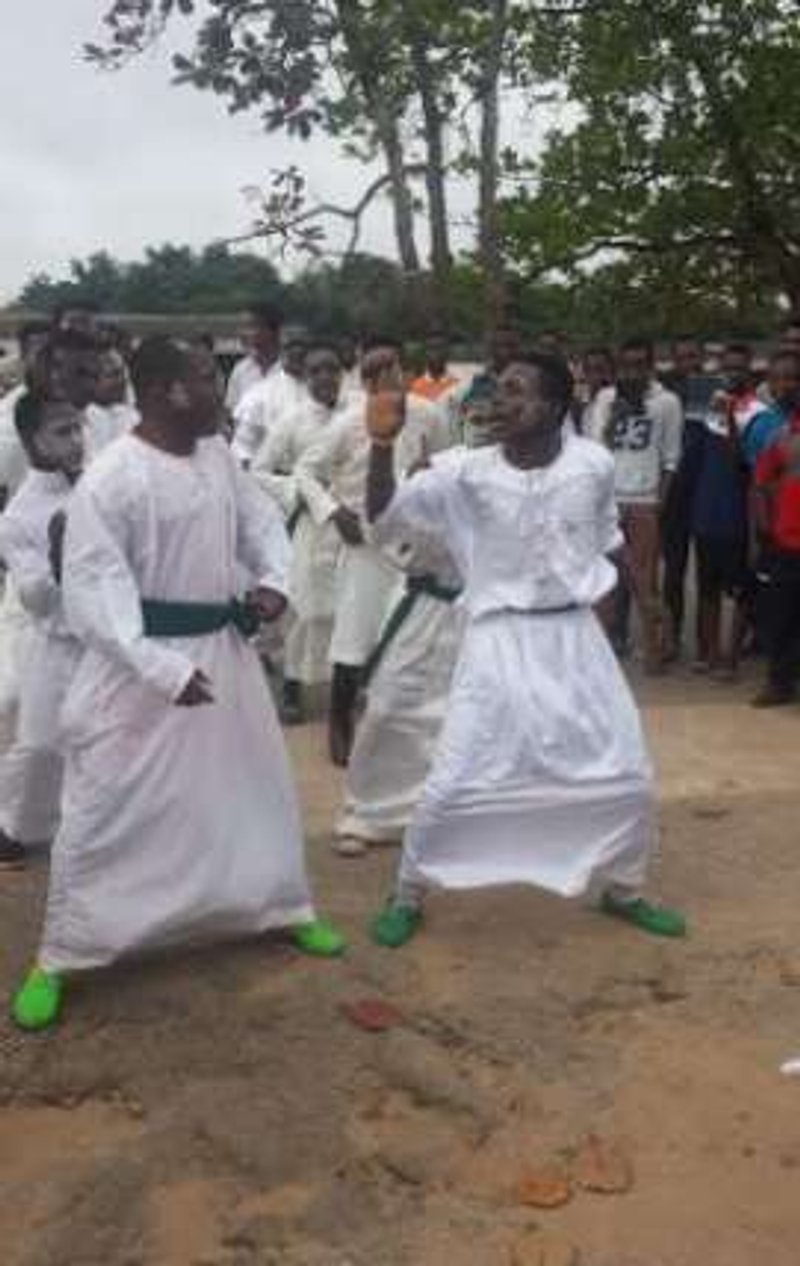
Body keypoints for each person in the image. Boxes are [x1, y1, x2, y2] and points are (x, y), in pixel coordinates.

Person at [10, 336, 345, 1033]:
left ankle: (281, 907)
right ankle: (63, 953)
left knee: (251, 785)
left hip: (222, 656)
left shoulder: (218, 455)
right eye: (204, 378)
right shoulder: (114, 477)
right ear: (167, 392)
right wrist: (162, 669)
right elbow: (95, 595)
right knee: (105, 806)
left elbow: (260, 527)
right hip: (140, 670)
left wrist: (273, 586)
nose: (218, 391)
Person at [362, 351, 686, 949]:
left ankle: (624, 889)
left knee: (627, 773)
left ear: (558, 407)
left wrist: (651, 604)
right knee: (457, 775)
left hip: (574, 638)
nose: (500, 402)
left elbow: (610, 542)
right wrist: (382, 447)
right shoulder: (464, 470)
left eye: (517, 391)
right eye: (497, 390)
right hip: (496, 639)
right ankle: (407, 891)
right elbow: (382, 518)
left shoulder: (592, 464)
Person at [295, 340, 450, 765]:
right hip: (365, 544)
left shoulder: (428, 413)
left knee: (410, 635)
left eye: (391, 367)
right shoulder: (346, 422)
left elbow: (446, 462)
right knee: (354, 637)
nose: (384, 377)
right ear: (362, 380)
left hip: (413, 545)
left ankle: (407, 729)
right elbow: (305, 472)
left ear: (403, 369)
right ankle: (340, 722)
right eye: (373, 371)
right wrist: (332, 510)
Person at [0, 394, 85, 868]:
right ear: (32, 440)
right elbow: (33, 597)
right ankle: (17, 828)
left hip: (104, 641)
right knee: (39, 744)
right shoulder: (17, 516)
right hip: (52, 644)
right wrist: (56, 557)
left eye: (77, 429)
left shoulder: (94, 489)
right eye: (62, 432)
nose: (76, 441)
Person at [251, 342, 355, 723]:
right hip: (312, 521)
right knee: (305, 607)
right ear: (306, 377)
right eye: (317, 371)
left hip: (354, 522)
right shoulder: (291, 421)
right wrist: (297, 491)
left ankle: (350, 684)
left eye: (333, 369)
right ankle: (293, 687)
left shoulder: (357, 412)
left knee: (350, 603)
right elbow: (259, 470)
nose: (326, 377)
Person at [587, 339, 683, 671]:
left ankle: (655, 650)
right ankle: (601, 652)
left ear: (651, 365)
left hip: (644, 502)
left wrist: (658, 503)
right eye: (626, 365)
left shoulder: (667, 402)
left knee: (645, 582)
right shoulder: (605, 398)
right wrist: (616, 415)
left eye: (640, 364)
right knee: (604, 583)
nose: (633, 371)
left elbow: (671, 458)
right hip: (608, 503)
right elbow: (594, 450)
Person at [690, 345, 759, 676]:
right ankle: (709, 652)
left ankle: (731, 657)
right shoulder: (707, 408)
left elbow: (741, 461)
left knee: (740, 589)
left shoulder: (758, 412)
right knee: (707, 588)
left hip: (737, 514)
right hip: (706, 511)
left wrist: (730, 415)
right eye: (727, 368)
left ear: (750, 373)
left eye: (739, 369)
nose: (733, 374)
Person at [751, 406, 800, 707]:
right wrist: (765, 528)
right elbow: (759, 483)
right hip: (787, 541)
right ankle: (780, 684)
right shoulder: (782, 436)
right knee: (781, 618)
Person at [232, 318, 309, 468]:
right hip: (271, 479)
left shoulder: (326, 392)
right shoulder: (259, 393)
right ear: (284, 352)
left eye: (302, 350)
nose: (297, 353)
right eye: (291, 349)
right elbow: (242, 445)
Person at [0, 321, 51, 508]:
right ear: (23, 358)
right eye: (41, 355)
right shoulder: (7, 423)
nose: (53, 362)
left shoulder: (92, 406)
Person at [742, 351, 800, 471]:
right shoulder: (760, 424)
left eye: (791, 378)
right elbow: (754, 470)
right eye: (774, 379)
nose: (781, 384)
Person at [225, 302, 283, 415]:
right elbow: (231, 410)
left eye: (250, 326)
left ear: (270, 330)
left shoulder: (290, 368)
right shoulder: (240, 370)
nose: (243, 333)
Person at [85, 348, 139, 457]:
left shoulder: (130, 412)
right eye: (113, 375)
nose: (122, 380)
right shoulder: (83, 422)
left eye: (122, 372)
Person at [410, 332, 460, 405]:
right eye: (432, 349)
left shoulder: (456, 385)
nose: (437, 354)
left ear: (447, 352)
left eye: (440, 348)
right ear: (425, 353)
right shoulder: (415, 386)